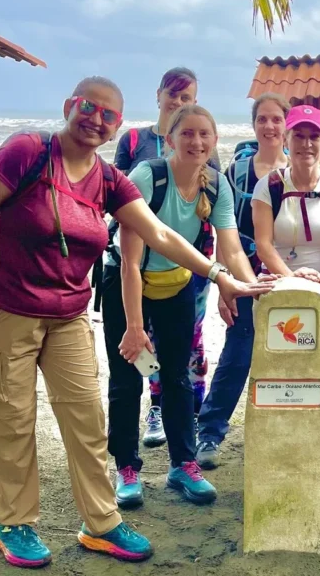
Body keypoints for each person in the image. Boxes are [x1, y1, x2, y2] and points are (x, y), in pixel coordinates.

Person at [0, 78, 268, 569]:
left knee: (86, 420)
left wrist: (220, 274)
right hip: (6, 310)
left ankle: (101, 522)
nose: (96, 119)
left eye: (108, 115)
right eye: (88, 107)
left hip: (69, 314)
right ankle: (13, 523)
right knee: (14, 421)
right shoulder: (27, 151)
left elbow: (159, 232)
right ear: (68, 107)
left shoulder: (106, 178)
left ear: (119, 125)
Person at [101, 105, 261, 508]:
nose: (196, 141)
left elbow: (231, 246)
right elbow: (132, 262)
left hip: (176, 283)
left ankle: (182, 464)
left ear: (215, 140)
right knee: (128, 377)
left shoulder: (217, 186)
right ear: (169, 139)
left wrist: (248, 286)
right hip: (126, 281)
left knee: (177, 376)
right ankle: (126, 468)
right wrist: (135, 329)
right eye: (187, 134)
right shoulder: (148, 176)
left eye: (204, 134)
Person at [251, 104, 320, 522]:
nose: (307, 143)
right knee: (280, 382)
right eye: (299, 135)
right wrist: (294, 281)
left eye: (314, 135)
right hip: (278, 292)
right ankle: (283, 470)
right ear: (287, 139)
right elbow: (264, 245)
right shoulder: (268, 186)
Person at [113, 66, 217, 449]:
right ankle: (154, 409)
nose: (178, 101)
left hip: (190, 266)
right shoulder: (136, 141)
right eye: (172, 94)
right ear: (158, 96)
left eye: (186, 96)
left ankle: (189, 411)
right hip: (137, 261)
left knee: (190, 341)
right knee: (142, 337)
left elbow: (208, 208)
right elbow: (118, 198)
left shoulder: (204, 146)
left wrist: (209, 270)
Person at [196, 93, 290, 468]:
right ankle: (211, 431)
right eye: (262, 119)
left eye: (276, 119)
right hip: (242, 275)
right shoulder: (237, 173)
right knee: (238, 352)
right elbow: (225, 232)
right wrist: (224, 286)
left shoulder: (301, 169)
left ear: (287, 126)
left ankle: (276, 433)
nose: (269, 126)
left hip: (288, 275)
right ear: (254, 125)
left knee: (286, 354)